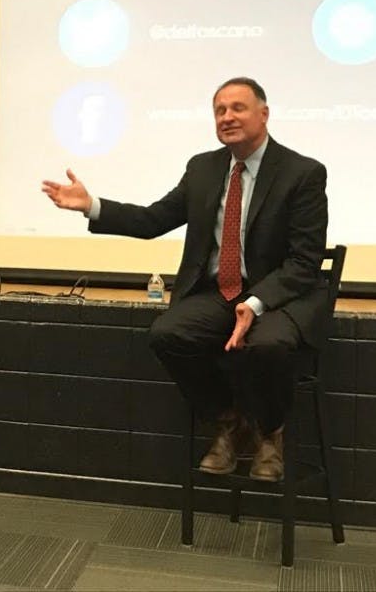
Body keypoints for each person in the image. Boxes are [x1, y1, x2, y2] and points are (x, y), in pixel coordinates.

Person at [41, 77, 328, 481]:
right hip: (220, 292)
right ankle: (228, 422)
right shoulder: (203, 168)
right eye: (219, 110)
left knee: (269, 345)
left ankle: (269, 433)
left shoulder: (303, 173)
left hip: (278, 296)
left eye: (238, 108)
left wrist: (256, 303)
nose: (227, 117)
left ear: (264, 114)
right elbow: (153, 219)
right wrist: (92, 206)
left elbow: (305, 261)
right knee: (168, 333)